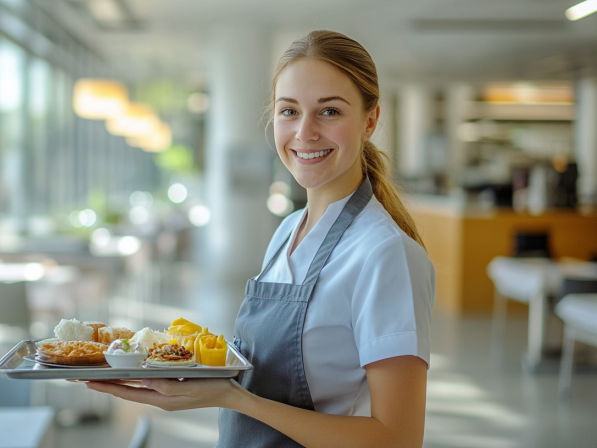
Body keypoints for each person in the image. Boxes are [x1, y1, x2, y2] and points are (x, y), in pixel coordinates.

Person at [85, 30, 436, 448]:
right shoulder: (288, 231)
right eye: (289, 111)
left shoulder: (385, 254)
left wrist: (236, 399)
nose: (305, 132)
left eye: (329, 112)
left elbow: (398, 438)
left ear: (371, 121)